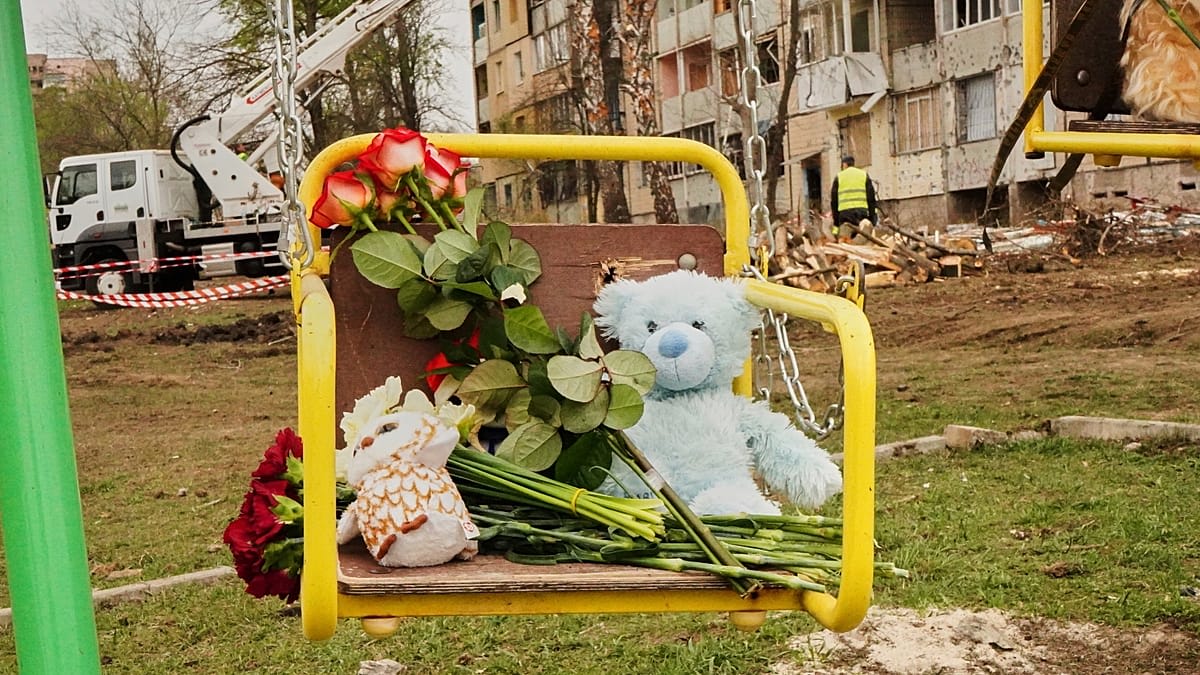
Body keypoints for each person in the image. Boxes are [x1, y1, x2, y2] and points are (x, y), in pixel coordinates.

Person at [830, 155, 878, 242]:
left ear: (844, 164)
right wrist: (872, 219)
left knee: (844, 240)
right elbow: (871, 199)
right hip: (862, 213)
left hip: (845, 215)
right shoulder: (863, 174)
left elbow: (834, 202)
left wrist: (836, 224)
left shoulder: (839, 177)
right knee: (864, 239)